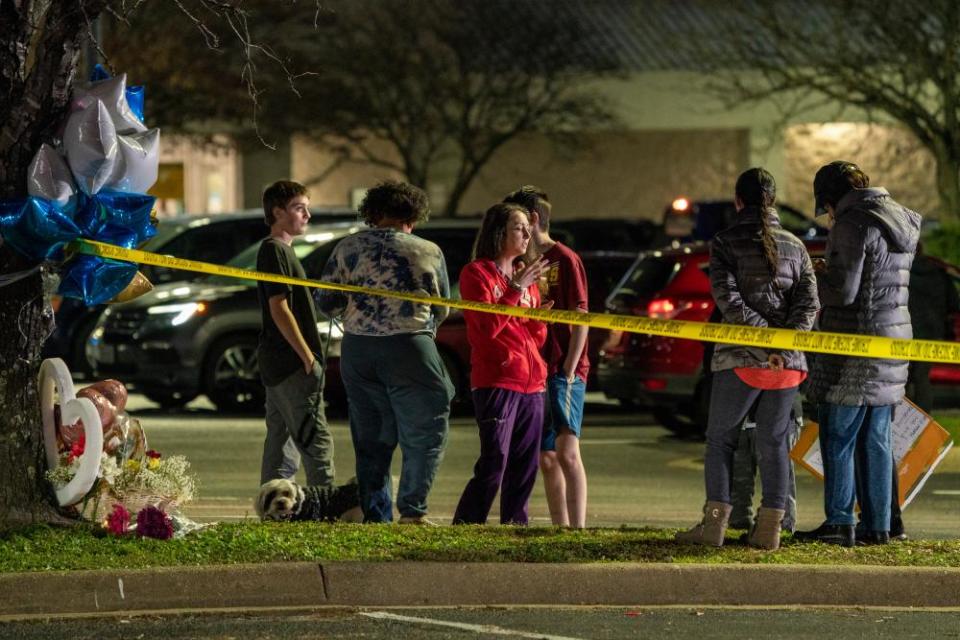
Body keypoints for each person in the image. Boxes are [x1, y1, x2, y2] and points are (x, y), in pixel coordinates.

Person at [676, 167, 819, 550]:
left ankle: (714, 526)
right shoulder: (796, 245)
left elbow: (730, 302)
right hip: (787, 362)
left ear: (739, 200)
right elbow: (809, 305)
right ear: (772, 200)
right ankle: (770, 528)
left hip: (740, 358)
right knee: (774, 443)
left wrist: (761, 341)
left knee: (720, 440)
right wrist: (781, 344)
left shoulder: (725, 241)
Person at [795, 161, 921, 547]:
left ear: (832, 199)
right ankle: (879, 525)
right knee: (877, 439)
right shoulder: (903, 219)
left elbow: (844, 292)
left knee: (839, 434)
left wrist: (816, 273)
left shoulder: (853, 223)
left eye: (827, 208)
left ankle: (839, 521)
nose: (829, 216)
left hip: (856, 344)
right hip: (893, 339)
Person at [318, 180, 454, 524]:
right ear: (412, 214)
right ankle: (413, 509)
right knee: (424, 430)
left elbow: (327, 302)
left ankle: (376, 514)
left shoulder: (347, 247)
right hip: (409, 346)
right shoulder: (428, 250)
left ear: (373, 212)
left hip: (358, 349)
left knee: (370, 437)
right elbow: (442, 308)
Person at [453, 203, 552, 525]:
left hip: (533, 383)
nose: (526, 235)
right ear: (499, 232)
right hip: (497, 380)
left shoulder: (527, 278)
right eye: (518, 228)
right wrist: (514, 290)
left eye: (527, 229)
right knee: (495, 460)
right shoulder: (477, 273)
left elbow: (533, 339)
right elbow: (485, 330)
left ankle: (515, 526)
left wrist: (540, 321)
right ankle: (468, 524)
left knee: (525, 466)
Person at [503, 186, 589, 529]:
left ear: (533, 219)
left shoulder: (565, 259)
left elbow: (581, 317)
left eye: (520, 220)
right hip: (535, 369)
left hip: (563, 370)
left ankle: (578, 529)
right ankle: (560, 528)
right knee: (547, 458)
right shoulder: (524, 264)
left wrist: (569, 369)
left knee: (568, 452)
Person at [256, 180, 335, 489]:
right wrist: (307, 356)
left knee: (282, 442)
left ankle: (275, 508)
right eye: (299, 208)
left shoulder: (282, 251)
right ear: (278, 212)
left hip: (277, 363)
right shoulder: (275, 250)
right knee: (316, 441)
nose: (307, 215)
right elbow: (280, 308)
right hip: (290, 363)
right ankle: (325, 508)